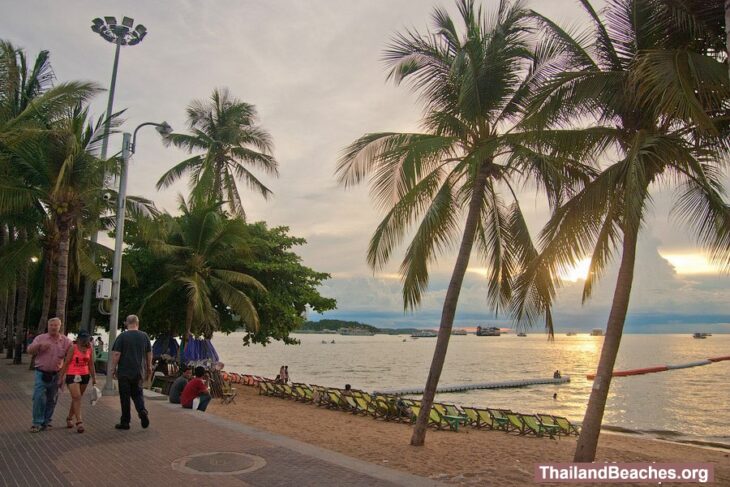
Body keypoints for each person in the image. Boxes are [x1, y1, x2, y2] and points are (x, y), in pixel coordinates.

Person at [26, 317, 72, 433]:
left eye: (56, 325)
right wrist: (39, 346)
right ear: (48, 326)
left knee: (52, 399)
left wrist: (63, 375)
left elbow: (71, 356)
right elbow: (29, 350)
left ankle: (47, 421)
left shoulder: (65, 341)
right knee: (38, 397)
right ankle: (37, 422)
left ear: (59, 327)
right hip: (41, 373)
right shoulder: (40, 338)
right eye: (51, 325)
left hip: (56, 374)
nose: (53, 327)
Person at [111, 315, 152, 430]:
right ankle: (142, 411)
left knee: (125, 397)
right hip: (139, 371)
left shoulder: (122, 336)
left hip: (124, 372)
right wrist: (149, 367)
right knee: (138, 394)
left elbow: (116, 354)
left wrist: (113, 368)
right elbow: (149, 353)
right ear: (137, 323)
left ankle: (125, 422)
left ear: (126, 323)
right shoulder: (144, 336)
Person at [60, 330, 96, 433]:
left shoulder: (90, 348)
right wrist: (60, 377)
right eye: (82, 338)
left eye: (86, 338)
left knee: (77, 399)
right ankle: (79, 422)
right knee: (77, 397)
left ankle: (69, 418)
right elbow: (66, 363)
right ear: (78, 339)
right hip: (72, 374)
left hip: (84, 375)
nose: (84, 340)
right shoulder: (73, 348)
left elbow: (91, 364)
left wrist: (94, 377)